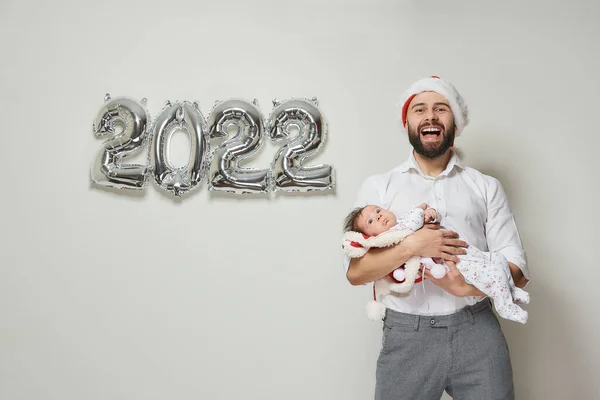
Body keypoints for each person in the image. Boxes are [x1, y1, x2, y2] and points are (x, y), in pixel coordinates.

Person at [342, 76, 529, 400]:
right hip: (406, 335)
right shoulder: (378, 188)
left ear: (454, 120)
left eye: (440, 108)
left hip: (478, 333)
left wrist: (465, 288)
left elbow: (518, 270)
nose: (430, 116)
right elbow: (356, 273)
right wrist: (415, 245)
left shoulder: (485, 186)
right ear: (408, 122)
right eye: (420, 109)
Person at [343, 203, 529, 324]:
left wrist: (431, 214)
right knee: (493, 273)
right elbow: (355, 274)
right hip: (454, 262)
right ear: (369, 236)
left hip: (468, 253)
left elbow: (519, 269)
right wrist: (419, 212)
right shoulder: (389, 238)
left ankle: (511, 291)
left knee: (499, 260)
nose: (378, 216)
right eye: (371, 221)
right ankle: (505, 305)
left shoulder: (400, 222)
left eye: (378, 211)